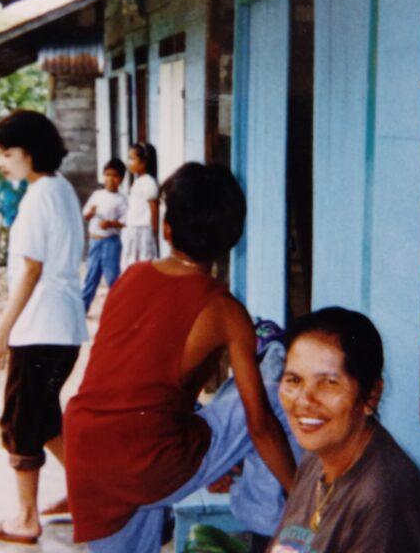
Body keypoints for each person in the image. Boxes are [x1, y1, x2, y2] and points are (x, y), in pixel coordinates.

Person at [64, 162, 297, 553]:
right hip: (150, 460)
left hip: (89, 454)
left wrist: (216, 458)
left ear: (166, 229)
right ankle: (275, 522)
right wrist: (302, 495)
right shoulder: (225, 311)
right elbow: (260, 424)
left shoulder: (131, 278)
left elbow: (137, 380)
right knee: (278, 393)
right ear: (233, 238)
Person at [0, 110, 87, 545]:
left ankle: (25, 518)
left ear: (31, 151)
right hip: (61, 325)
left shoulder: (39, 195)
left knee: (22, 421)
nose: (2, 163)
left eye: (7, 153)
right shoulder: (59, 189)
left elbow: (30, 270)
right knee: (44, 420)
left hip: (40, 326)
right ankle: (87, 493)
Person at [269, 308, 420, 552]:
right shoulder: (317, 459)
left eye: (329, 383)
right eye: (294, 380)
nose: (304, 400)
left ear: (371, 396)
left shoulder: (383, 498)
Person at [80, 157, 127, 312]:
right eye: (107, 175)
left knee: (112, 278)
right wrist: (91, 213)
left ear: (121, 179)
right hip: (95, 241)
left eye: (115, 175)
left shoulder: (122, 200)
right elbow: (85, 215)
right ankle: (82, 309)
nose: (110, 179)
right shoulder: (97, 195)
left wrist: (111, 223)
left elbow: (125, 221)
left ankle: (118, 310)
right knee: (91, 277)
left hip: (111, 242)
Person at [121, 141, 159, 270]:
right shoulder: (138, 181)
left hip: (143, 230)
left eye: (132, 158)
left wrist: (155, 233)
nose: (129, 162)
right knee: (132, 261)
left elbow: (154, 208)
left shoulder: (148, 182)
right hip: (134, 228)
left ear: (144, 162)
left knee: (144, 261)